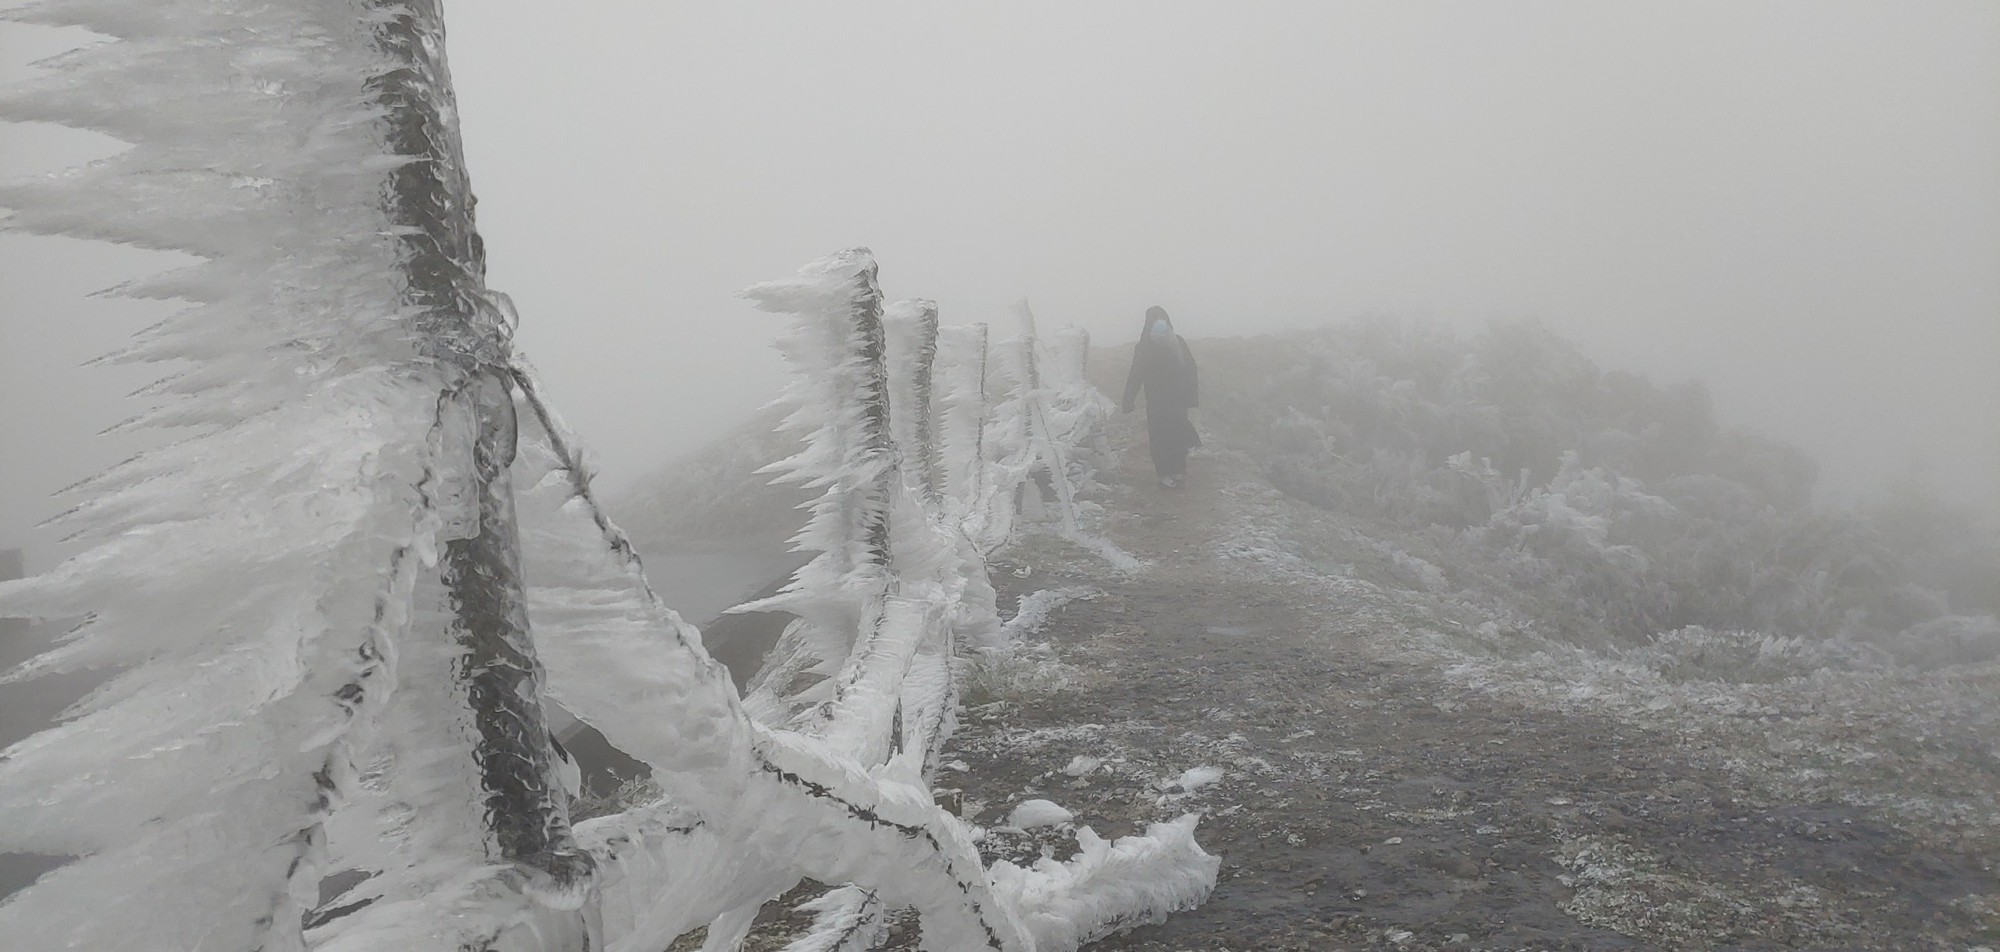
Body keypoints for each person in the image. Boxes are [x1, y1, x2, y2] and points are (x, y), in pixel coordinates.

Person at [1121, 306, 1200, 488]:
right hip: (1163, 402)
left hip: (1170, 401)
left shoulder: (1172, 343)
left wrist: (1191, 398)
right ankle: (1168, 474)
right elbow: (1136, 375)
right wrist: (1128, 401)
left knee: (1171, 436)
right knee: (1165, 436)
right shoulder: (1150, 346)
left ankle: (1173, 473)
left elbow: (1190, 369)